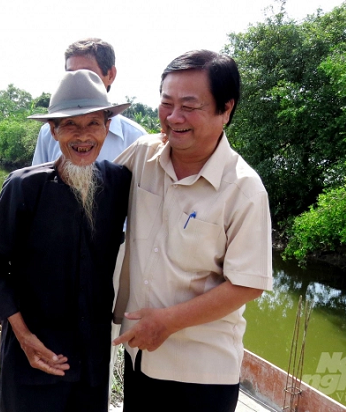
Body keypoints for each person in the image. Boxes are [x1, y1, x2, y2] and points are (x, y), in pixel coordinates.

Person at [112, 50, 273, 412]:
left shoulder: (244, 189)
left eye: (189, 106)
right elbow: (90, 196)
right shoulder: (142, 155)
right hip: (139, 357)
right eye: (166, 103)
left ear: (225, 109)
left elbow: (248, 284)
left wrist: (167, 322)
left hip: (200, 374)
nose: (173, 118)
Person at [0, 69, 132, 412]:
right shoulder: (24, 187)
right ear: (53, 130)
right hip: (34, 358)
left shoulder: (120, 183)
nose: (83, 136)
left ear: (108, 126)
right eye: (71, 125)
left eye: (93, 123)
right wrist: (23, 337)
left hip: (90, 364)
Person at [32, 38, 146, 165]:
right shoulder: (46, 133)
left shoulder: (137, 139)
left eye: (88, 73)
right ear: (54, 131)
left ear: (111, 75)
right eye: (70, 74)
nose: (77, 81)